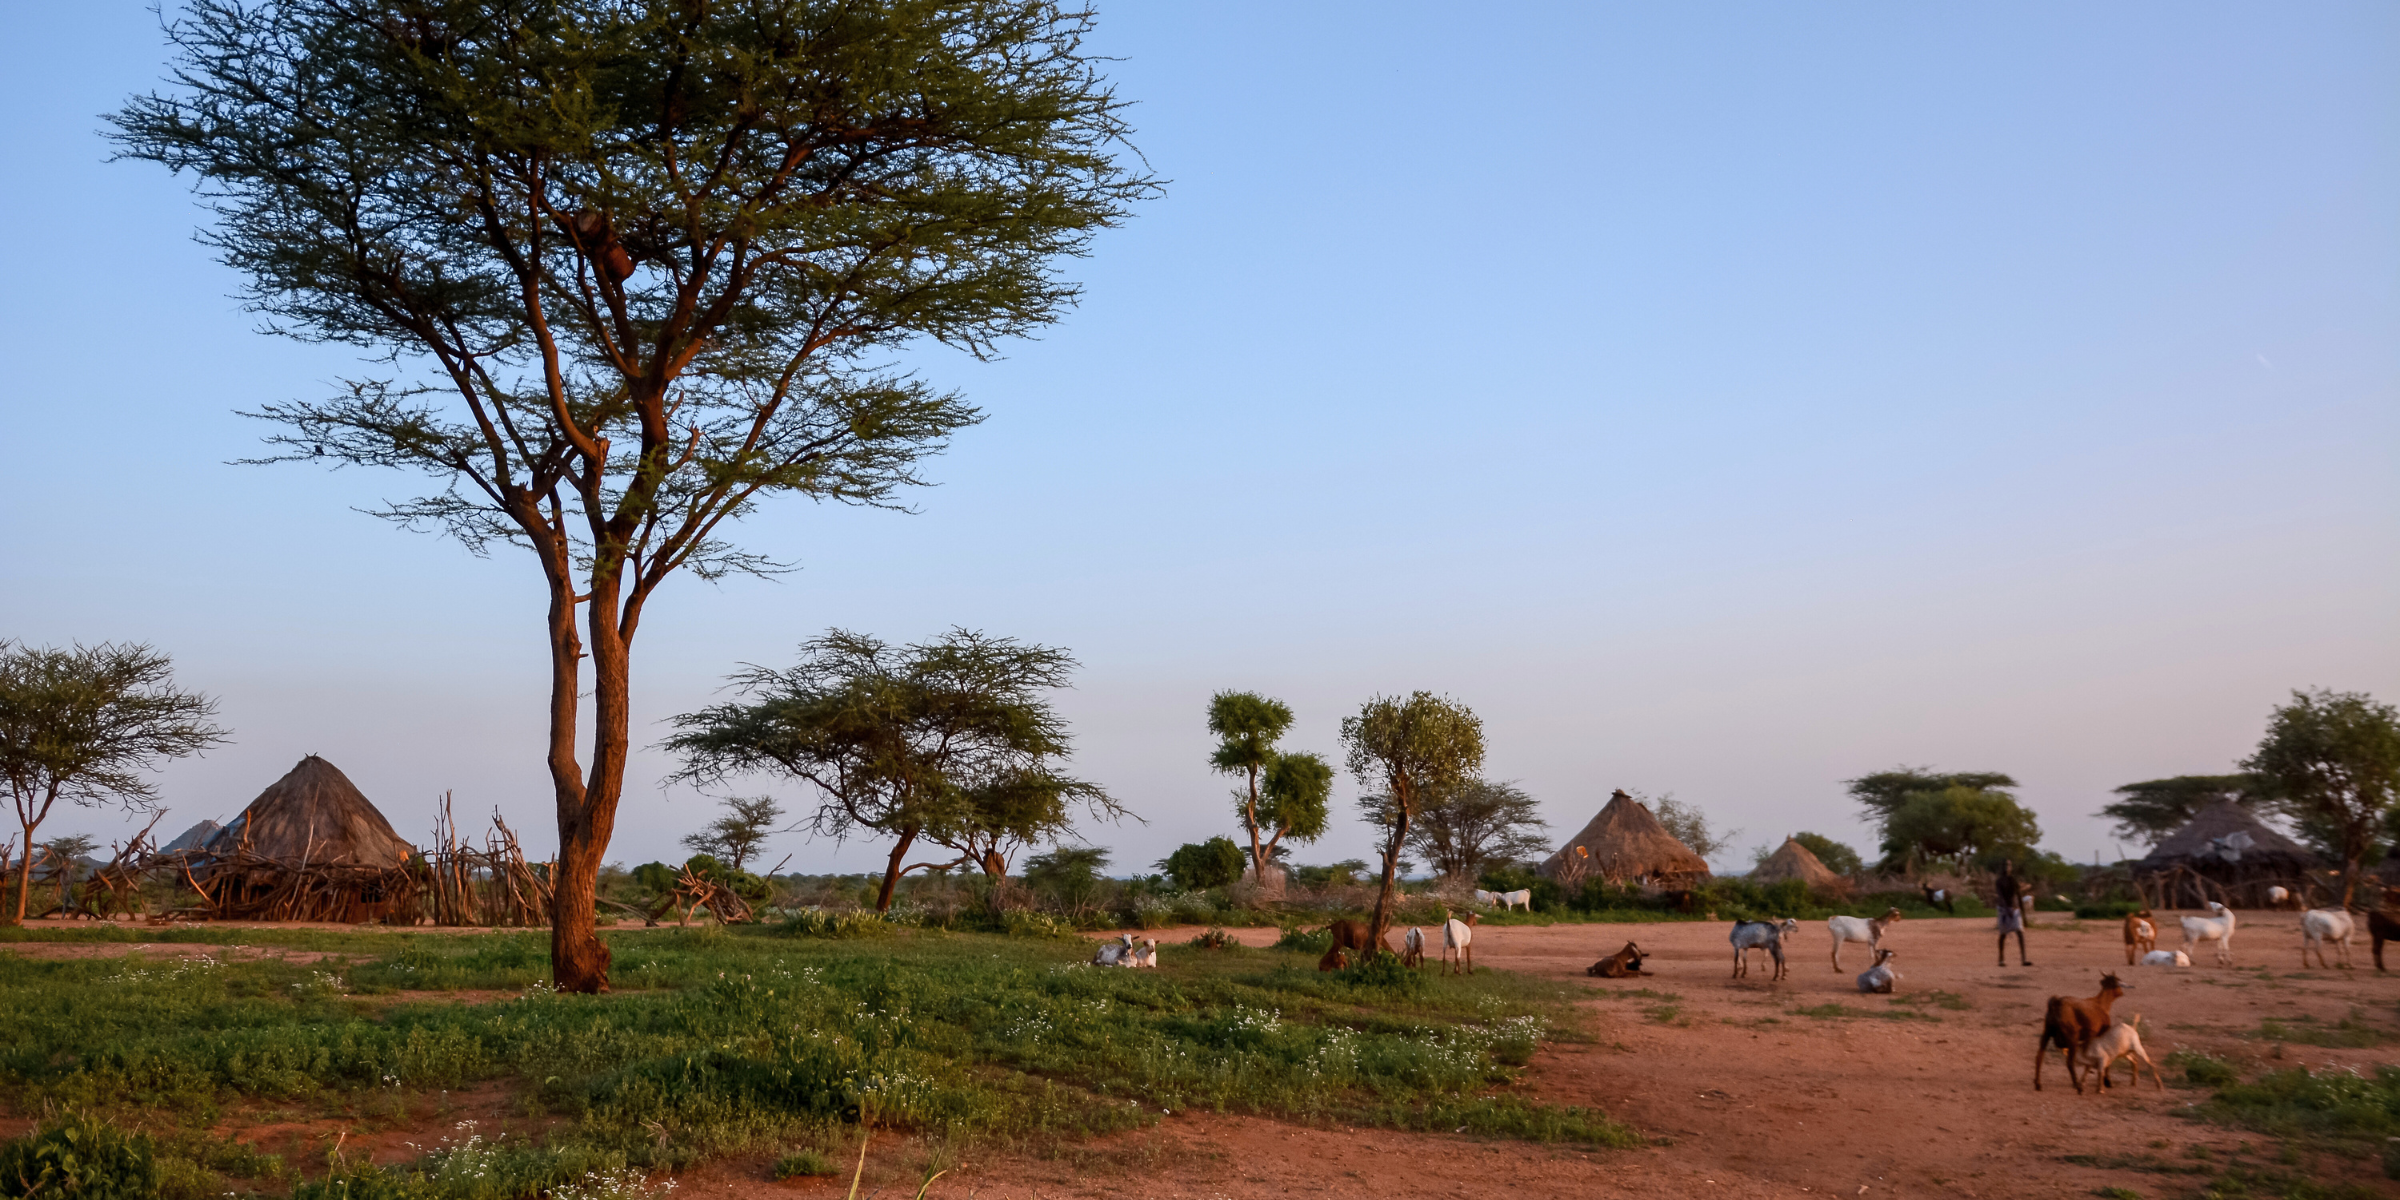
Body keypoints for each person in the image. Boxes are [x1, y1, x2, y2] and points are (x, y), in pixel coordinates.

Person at [1994, 858, 2031, 967]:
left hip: (2014, 909)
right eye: (2005, 865)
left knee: (2020, 933)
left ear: (2011, 867)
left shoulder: (2013, 880)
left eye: (2009, 865)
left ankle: (2023, 959)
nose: (2007, 867)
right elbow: (2001, 897)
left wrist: (2024, 916)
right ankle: (2001, 958)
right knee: (2003, 934)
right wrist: (2006, 909)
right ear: (2002, 867)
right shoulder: (1999, 881)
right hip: (2003, 909)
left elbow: (2019, 896)